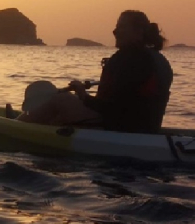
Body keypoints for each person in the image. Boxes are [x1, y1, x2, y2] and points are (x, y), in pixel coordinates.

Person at [20, 10, 173, 134]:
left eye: (121, 27)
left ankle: (16, 127)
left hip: (121, 127)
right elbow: (126, 101)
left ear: (138, 32)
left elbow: (112, 108)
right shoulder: (158, 59)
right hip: (148, 128)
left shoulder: (129, 58)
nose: (115, 32)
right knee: (60, 114)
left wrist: (83, 96)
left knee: (60, 101)